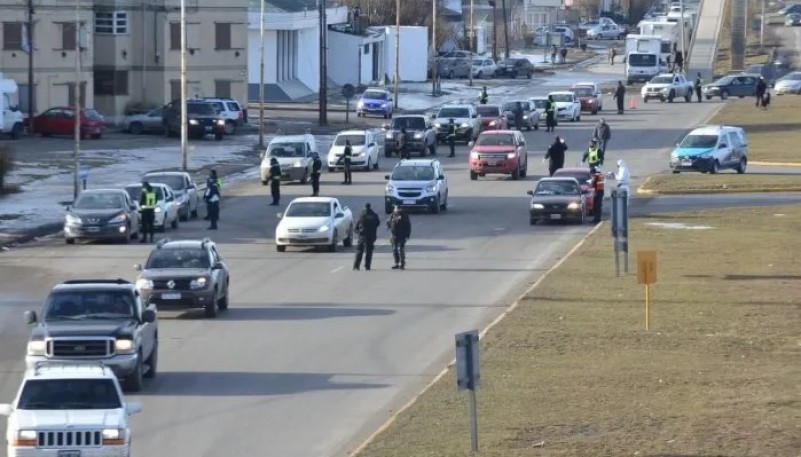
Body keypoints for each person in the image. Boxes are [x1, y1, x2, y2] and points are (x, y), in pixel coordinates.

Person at [353, 203, 381, 271]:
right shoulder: (374, 215)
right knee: (369, 251)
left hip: (363, 235)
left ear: (364, 207)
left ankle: (356, 266)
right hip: (371, 235)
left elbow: (358, 224)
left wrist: (356, 230)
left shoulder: (362, 214)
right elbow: (378, 223)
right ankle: (367, 266)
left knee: (359, 251)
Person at [386, 205, 411, 270]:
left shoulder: (404, 215)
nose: (395, 209)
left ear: (400, 209)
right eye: (395, 208)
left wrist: (407, 236)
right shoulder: (393, 214)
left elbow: (408, 226)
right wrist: (389, 226)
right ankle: (396, 263)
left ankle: (402, 264)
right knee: (394, 249)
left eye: (396, 208)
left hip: (402, 235)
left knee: (401, 250)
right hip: (394, 235)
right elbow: (388, 221)